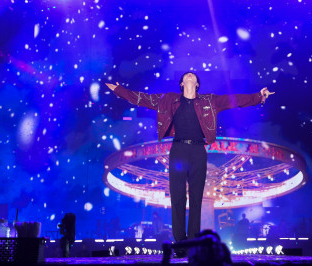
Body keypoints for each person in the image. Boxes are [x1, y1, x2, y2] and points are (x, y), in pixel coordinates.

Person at [106, 72, 273, 244]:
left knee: (196, 198)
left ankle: (192, 243)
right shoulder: (168, 99)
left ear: (197, 84)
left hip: (198, 151)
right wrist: (119, 90)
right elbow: (142, 99)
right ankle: (180, 243)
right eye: (186, 75)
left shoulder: (209, 101)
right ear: (181, 84)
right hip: (178, 150)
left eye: (193, 75)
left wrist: (258, 96)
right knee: (177, 197)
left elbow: (234, 100)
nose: (190, 75)